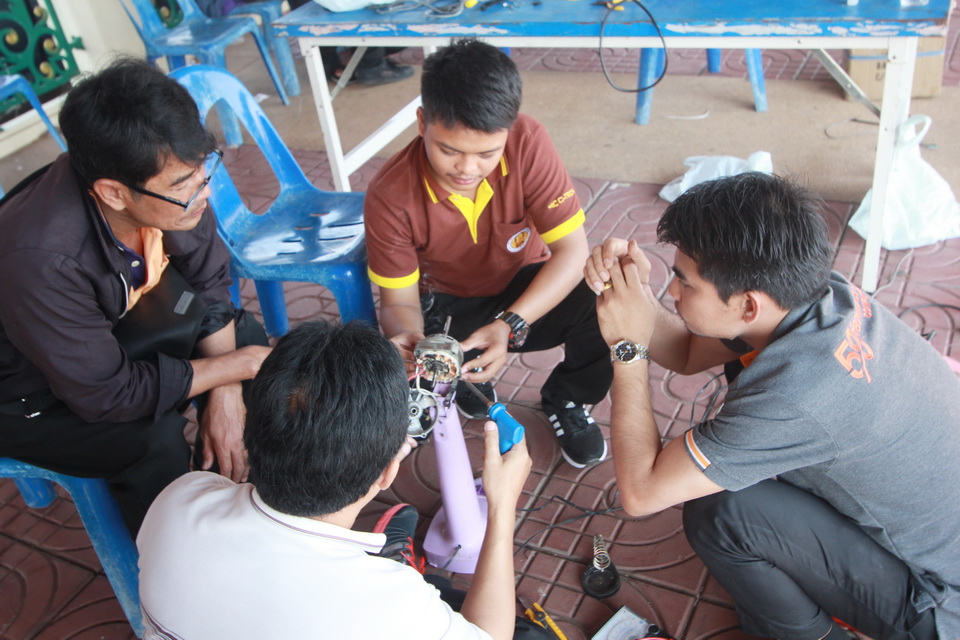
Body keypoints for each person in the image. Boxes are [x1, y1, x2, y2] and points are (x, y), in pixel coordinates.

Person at [584, 172, 960, 640]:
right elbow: (687, 353)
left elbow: (641, 493)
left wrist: (627, 348)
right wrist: (634, 296)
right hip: (935, 529)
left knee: (721, 513)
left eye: (684, 283)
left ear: (748, 306)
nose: (673, 292)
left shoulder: (795, 395)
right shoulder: (819, 296)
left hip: (941, 600)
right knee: (736, 443)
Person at [0, 59, 272, 533]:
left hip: (106, 338)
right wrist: (239, 365)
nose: (203, 194)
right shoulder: (42, 259)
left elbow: (209, 282)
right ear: (113, 193)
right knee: (150, 439)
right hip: (28, 397)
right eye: (183, 187)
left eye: (203, 172)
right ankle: (180, 558)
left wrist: (227, 388)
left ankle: (258, 501)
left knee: (241, 335)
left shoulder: (172, 186)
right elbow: (107, 395)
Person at [137, 319, 533, 640]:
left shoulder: (181, 498)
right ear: (388, 472)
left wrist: (357, 392)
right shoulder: (393, 607)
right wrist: (502, 507)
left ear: (248, 433)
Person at [364, 38, 611, 469]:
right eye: (449, 150)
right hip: (449, 306)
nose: (467, 169)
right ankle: (461, 377)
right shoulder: (390, 195)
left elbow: (572, 252)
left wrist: (510, 324)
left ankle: (568, 396)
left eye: (486, 154)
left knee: (604, 295)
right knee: (439, 356)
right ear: (422, 122)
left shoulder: (528, 142)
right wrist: (415, 343)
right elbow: (398, 303)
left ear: (508, 132)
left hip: (524, 291)